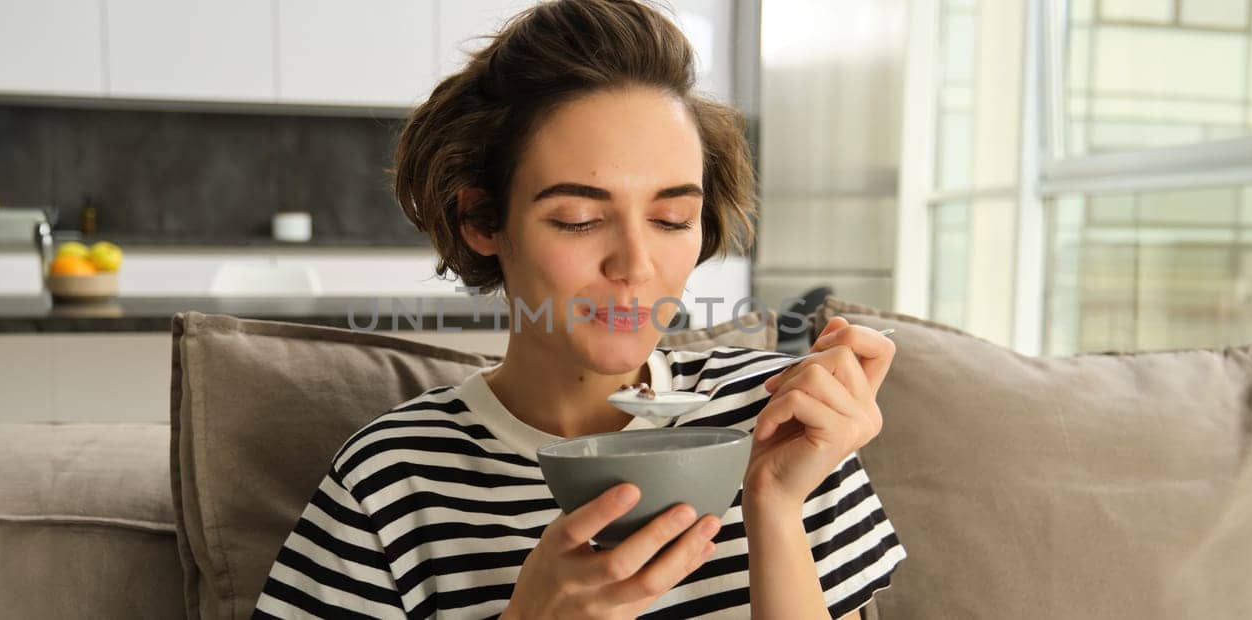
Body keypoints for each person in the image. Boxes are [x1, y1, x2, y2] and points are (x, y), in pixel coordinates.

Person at [254, 1, 905, 617]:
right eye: (579, 219)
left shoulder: (782, 421)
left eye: (671, 218)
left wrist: (776, 506)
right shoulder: (390, 480)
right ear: (484, 220)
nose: (636, 265)